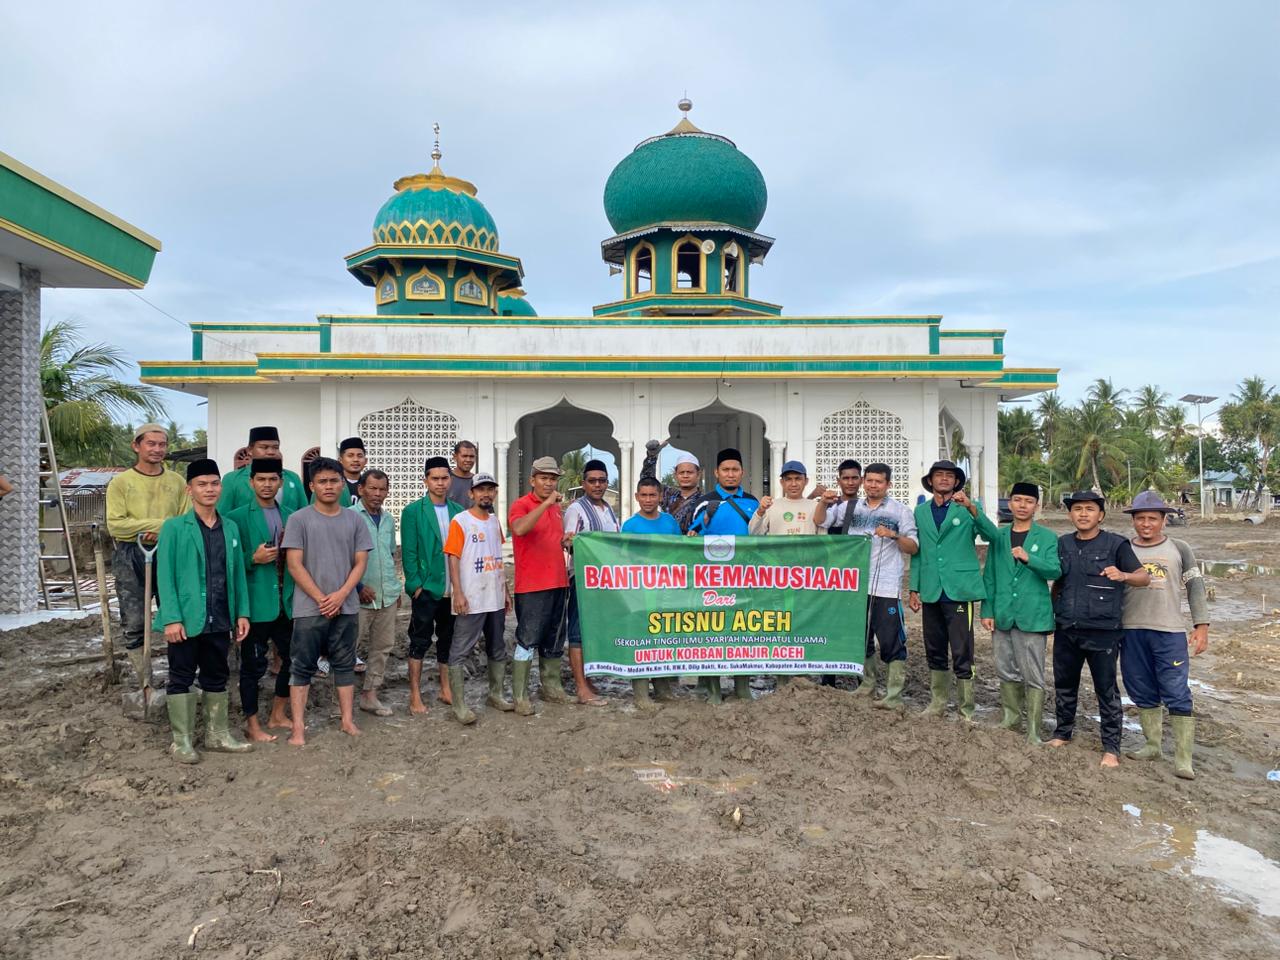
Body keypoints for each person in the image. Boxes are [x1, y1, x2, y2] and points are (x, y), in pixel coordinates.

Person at [153, 459, 252, 764]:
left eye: (214, 483)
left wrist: (242, 613)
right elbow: (164, 576)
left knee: (216, 674)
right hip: (186, 618)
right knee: (181, 675)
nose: (209, 490)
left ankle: (216, 734)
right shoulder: (174, 528)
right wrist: (171, 617)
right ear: (190, 489)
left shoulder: (230, 527)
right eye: (202, 484)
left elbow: (236, 576)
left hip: (220, 615)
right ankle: (181, 741)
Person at [1047, 491, 1149, 769]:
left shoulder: (1116, 545)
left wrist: (1124, 575)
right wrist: (1052, 613)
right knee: (1065, 684)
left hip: (1103, 630)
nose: (1083, 514)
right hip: (1067, 627)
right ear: (1070, 514)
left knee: (1106, 690)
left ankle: (1111, 748)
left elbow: (1144, 577)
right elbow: (1058, 583)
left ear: (1100, 515)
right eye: (1077, 509)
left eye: (1089, 509)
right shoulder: (1063, 544)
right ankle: (1062, 732)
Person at [281, 456, 372, 746]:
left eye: (334, 480)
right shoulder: (299, 520)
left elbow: (360, 562)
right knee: (302, 665)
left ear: (343, 484)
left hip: (345, 605)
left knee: (344, 664)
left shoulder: (355, 519)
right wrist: (322, 598)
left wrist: (342, 594)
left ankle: (347, 720)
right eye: (322, 481)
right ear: (312, 485)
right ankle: (298, 728)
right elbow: (294, 565)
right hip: (310, 608)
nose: (329, 486)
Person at [1120, 491, 1210, 779]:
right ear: (1133, 520)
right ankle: (1152, 745)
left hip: (1169, 631)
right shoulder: (1122, 548)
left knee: (1176, 690)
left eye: (1153, 519)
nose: (1146, 524)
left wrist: (1202, 625)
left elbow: (1195, 587)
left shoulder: (1180, 548)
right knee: (1140, 687)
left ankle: (1183, 759)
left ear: (1164, 521)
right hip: (1131, 630)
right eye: (1141, 518)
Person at [818, 462, 918, 707]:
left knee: (891, 639)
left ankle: (894, 695)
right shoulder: (849, 508)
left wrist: (894, 535)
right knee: (860, 637)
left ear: (888, 484)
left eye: (879, 481)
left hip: (885, 585)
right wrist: (823, 502)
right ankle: (868, 685)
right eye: (869, 481)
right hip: (856, 584)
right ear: (863, 482)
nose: (873, 485)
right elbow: (820, 521)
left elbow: (913, 546)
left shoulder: (900, 511)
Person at [105, 423, 190, 698]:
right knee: (134, 619)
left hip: (169, 554)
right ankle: (145, 682)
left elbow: (185, 520)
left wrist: (158, 528)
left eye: (162, 444)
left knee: (176, 615)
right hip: (131, 555)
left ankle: (180, 678)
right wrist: (164, 524)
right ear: (136, 446)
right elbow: (117, 526)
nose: (157, 449)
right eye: (151, 444)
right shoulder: (121, 483)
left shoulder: (176, 482)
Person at [973, 482, 1060, 743]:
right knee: (1005, 669)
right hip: (1002, 613)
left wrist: (1028, 558)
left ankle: (1033, 728)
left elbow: (1055, 571)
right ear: (1009, 503)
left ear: (1036, 506)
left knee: (1033, 673)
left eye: (1028, 501)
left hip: (1032, 615)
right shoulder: (999, 537)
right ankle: (1011, 717)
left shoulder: (1047, 537)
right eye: (1017, 500)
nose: (1022, 506)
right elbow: (989, 576)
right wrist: (986, 610)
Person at [908, 460, 986, 721]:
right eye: (938, 475)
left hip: (959, 590)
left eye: (949, 476)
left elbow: (991, 535)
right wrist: (914, 588)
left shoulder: (967, 509)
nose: (943, 479)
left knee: (963, 648)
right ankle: (938, 702)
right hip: (931, 589)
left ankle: (966, 708)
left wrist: (973, 509)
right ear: (930, 481)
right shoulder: (920, 511)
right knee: (934, 646)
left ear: (956, 482)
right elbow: (918, 553)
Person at [225, 457, 296, 742]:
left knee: (294, 658)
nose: (267, 485)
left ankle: (278, 713)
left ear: (280, 481)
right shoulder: (237, 518)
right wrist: (251, 559)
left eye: (273, 479)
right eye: (261, 479)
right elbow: (229, 564)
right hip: (255, 605)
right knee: (252, 667)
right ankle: (252, 724)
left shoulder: (292, 515)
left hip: (287, 601)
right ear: (251, 482)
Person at [689, 448, 760, 704]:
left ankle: (743, 686)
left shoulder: (753, 502)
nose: (731, 474)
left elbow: (762, 537)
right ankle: (713, 688)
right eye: (726, 470)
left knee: (745, 629)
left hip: (746, 578)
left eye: (735, 470)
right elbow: (692, 536)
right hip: (713, 578)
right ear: (717, 473)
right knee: (712, 631)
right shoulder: (704, 502)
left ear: (742, 472)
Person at [443, 473, 513, 724]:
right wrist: (458, 592)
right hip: (471, 597)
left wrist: (504, 589)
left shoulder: (494, 522)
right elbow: (453, 557)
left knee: (497, 647)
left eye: (490, 490)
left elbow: (496, 556)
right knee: (460, 650)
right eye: (480, 490)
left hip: (494, 596)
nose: (486, 494)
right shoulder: (460, 521)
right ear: (471, 494)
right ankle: (459, 705)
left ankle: (495, 694)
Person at [508, 456, 572, 715]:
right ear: (532, 480)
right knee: (527, 638)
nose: (548, 483)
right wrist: (545, 503)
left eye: (552, 479)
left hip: (558, 580)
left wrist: (565, 539)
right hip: (532, 585)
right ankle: (520, 694)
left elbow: (550, 539)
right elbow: (520, 529)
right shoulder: (521, 505)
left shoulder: (557, 509)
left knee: (555, 637)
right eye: (543, 478)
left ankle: (551, 686)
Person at [402, 456, 465, 714]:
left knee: (447, 640)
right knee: (419, 640)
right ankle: (415, 694)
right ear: (426, 480)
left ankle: (445, 688)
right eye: (435, 478)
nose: (440, 483)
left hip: (452, 589)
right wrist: (416, 585)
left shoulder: (459, 512)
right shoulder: (413, 511)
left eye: (444, 478)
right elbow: (409, 552)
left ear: (450, 480)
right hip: (427, 588)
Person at [620, 476, 682, 709]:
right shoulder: (630, 526)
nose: (648, 500)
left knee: (663, 639)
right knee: (642, 640)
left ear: (661, 497)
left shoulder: (670, 522)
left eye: (652, 495)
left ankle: (663, 687)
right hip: (640, 592)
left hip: (667, 591)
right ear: (637, 497)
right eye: (643, 495)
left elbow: (680, 551)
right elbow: (621, 558)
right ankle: (641, 694)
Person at [563, 458, 619, 706]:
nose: (598, 485)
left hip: (604, 581)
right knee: (577, 631)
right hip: (582, 580)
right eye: (592, 481)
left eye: (602, 481)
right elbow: (567, 542)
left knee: (592, 630)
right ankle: (580, 687)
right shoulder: (577, 509)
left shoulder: (608, 509)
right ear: (584, 483)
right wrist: (574, 543)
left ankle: (587, 679)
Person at [352, 469, 401, 718]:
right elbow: (342, 559)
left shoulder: (390, 519)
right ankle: (340, 701)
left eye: (382, 489)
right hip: (357, 598)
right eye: (372, 488)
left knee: (381, 648)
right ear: (361, 489)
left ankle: (370, 696)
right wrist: (358, 587)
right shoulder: (349, 517)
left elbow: (390, 555)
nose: (377, 494)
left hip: (387, 595)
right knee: (348, 647)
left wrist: (394, 586)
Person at [218, 426, 308, 513]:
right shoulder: (232, 479)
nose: (271, 452)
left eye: (275, 448)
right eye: (264, 447)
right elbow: (222, 516)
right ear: (249, 450)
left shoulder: (292, 477)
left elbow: (304, 513)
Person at [641, 441, 704, 533]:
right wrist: (651, 457)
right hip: (669, 546)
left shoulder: (705, 501)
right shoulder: (668, 494)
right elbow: (647, 481)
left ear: (698, 475)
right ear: (675, 475)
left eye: (689, 472)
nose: (685, 476)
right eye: (681, 472)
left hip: (691, 546)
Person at [815, 459, 862, 532]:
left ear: (861, 480)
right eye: (846, 478)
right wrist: (822, 502)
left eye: (854, 478)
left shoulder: (865, 506)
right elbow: (818, 522)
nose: (850, 483)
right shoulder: (827, 503)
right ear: (838, 481)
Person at [337, 437, 367, 507]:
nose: (356, 459)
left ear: (365, 461)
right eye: (350, 456)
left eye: (360, 456)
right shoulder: (334, 484)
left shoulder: (367, 485)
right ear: (340, 460)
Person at [448, 440, 479, 507]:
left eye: (471, 456)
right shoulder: (444, 480)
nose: (468, 460)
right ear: (455, 457)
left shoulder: (478, 482)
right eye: (464, 456)